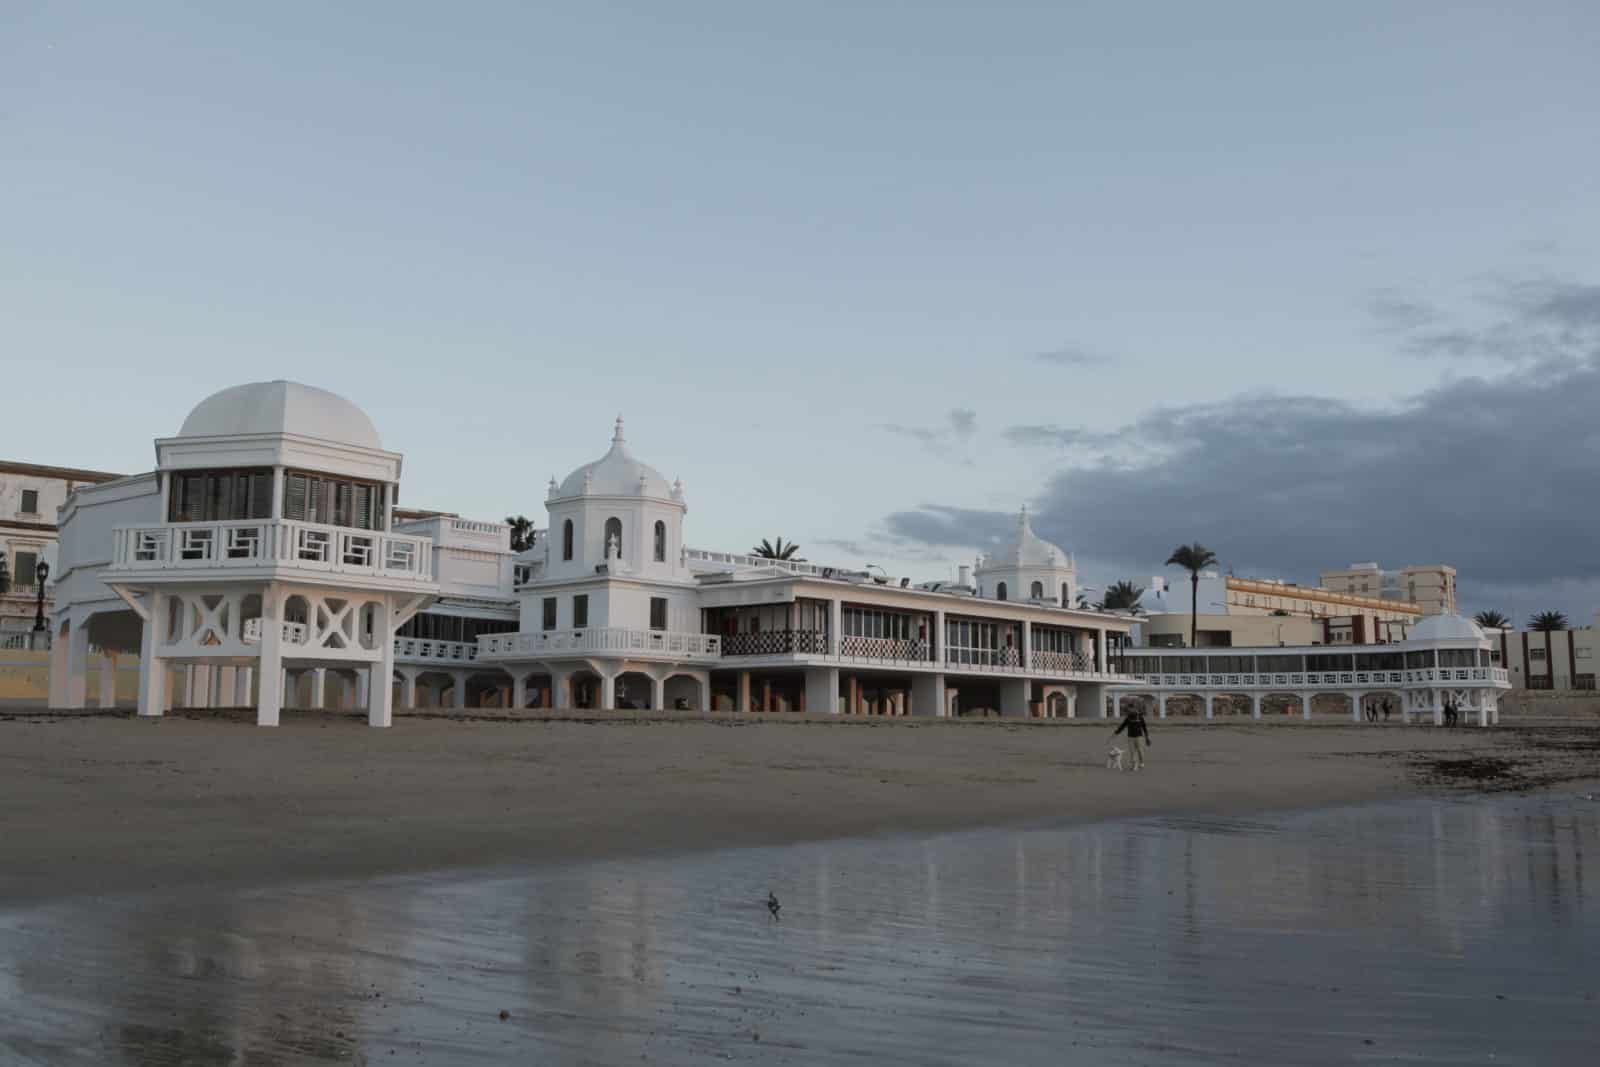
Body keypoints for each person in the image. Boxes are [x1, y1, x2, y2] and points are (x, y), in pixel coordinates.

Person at [1113, 706, 1152, 771]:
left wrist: (1147, 737)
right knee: (1132, 752)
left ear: (1134, 709)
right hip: (1130, 737)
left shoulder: (1140, 717)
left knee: (1140, 750)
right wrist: (1116, 733)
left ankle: (1141, 762)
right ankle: (1134, 765)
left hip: (1139, 737)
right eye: (1129, 710)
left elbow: (1144, 727)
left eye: (1131, 709)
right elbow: (1122, 726)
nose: (1130, 711)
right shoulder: (1128, 718)